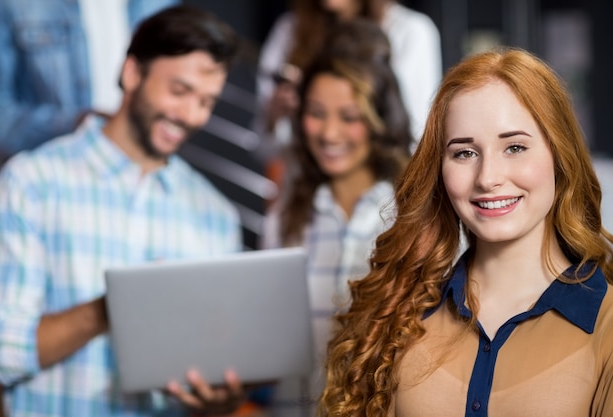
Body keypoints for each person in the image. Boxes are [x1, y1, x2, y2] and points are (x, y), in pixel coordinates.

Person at [318, 47, 613, 417]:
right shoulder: (397, 317)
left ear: (560, 156)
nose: (488, 178)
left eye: (515, 147)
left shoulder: (607, 327)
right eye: (464, 153)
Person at [0, 5, 247, 417]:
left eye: (206, 101)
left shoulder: (214, 215)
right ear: (131, 74)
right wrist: (109, 310)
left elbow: (218, 365)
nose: (191, 115)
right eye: (179, 91)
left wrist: (220, 402)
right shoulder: (32, 184)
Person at [261, 18, 412, 416]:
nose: (329, 133)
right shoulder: (285, 216)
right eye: (315, 113)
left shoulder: (413, 212)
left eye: (349, 116)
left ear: (380, 120)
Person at [0, 0, 177, 175]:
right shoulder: (16, 5)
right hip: (48, 179)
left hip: (139, 180)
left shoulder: (158, 4)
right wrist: (77, 126)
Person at [257, 0, 442, 154]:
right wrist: (276, 115)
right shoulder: (290, 29)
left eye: (348, 115)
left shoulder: (412, 31)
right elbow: (265, 147)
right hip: (306, 181)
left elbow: (416, 136)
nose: (330, 134)